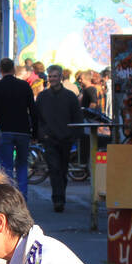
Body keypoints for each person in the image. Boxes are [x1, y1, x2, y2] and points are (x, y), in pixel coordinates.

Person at [0, 57, 38, 197]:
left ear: (1, 70)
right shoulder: (24, 86)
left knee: (6, 166)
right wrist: (35, 132)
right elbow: (33, 110)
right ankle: (23, 198)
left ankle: (9, 199)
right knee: (22, 166)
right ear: (13, 69)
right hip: (23, 130)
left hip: (4, 130)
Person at [34, 64, 82, 213]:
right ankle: (58, 199)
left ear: (60, 77)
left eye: (55, 76)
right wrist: (41, 134)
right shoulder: (42, 97)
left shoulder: (69, 96)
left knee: (62, 170)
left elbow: (77, 117)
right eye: (50, 76)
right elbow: (37, 118)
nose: (52, 79)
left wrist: (74, 135)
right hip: (49, 139)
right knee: (54, 169)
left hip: (65, 138)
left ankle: (61, 196)